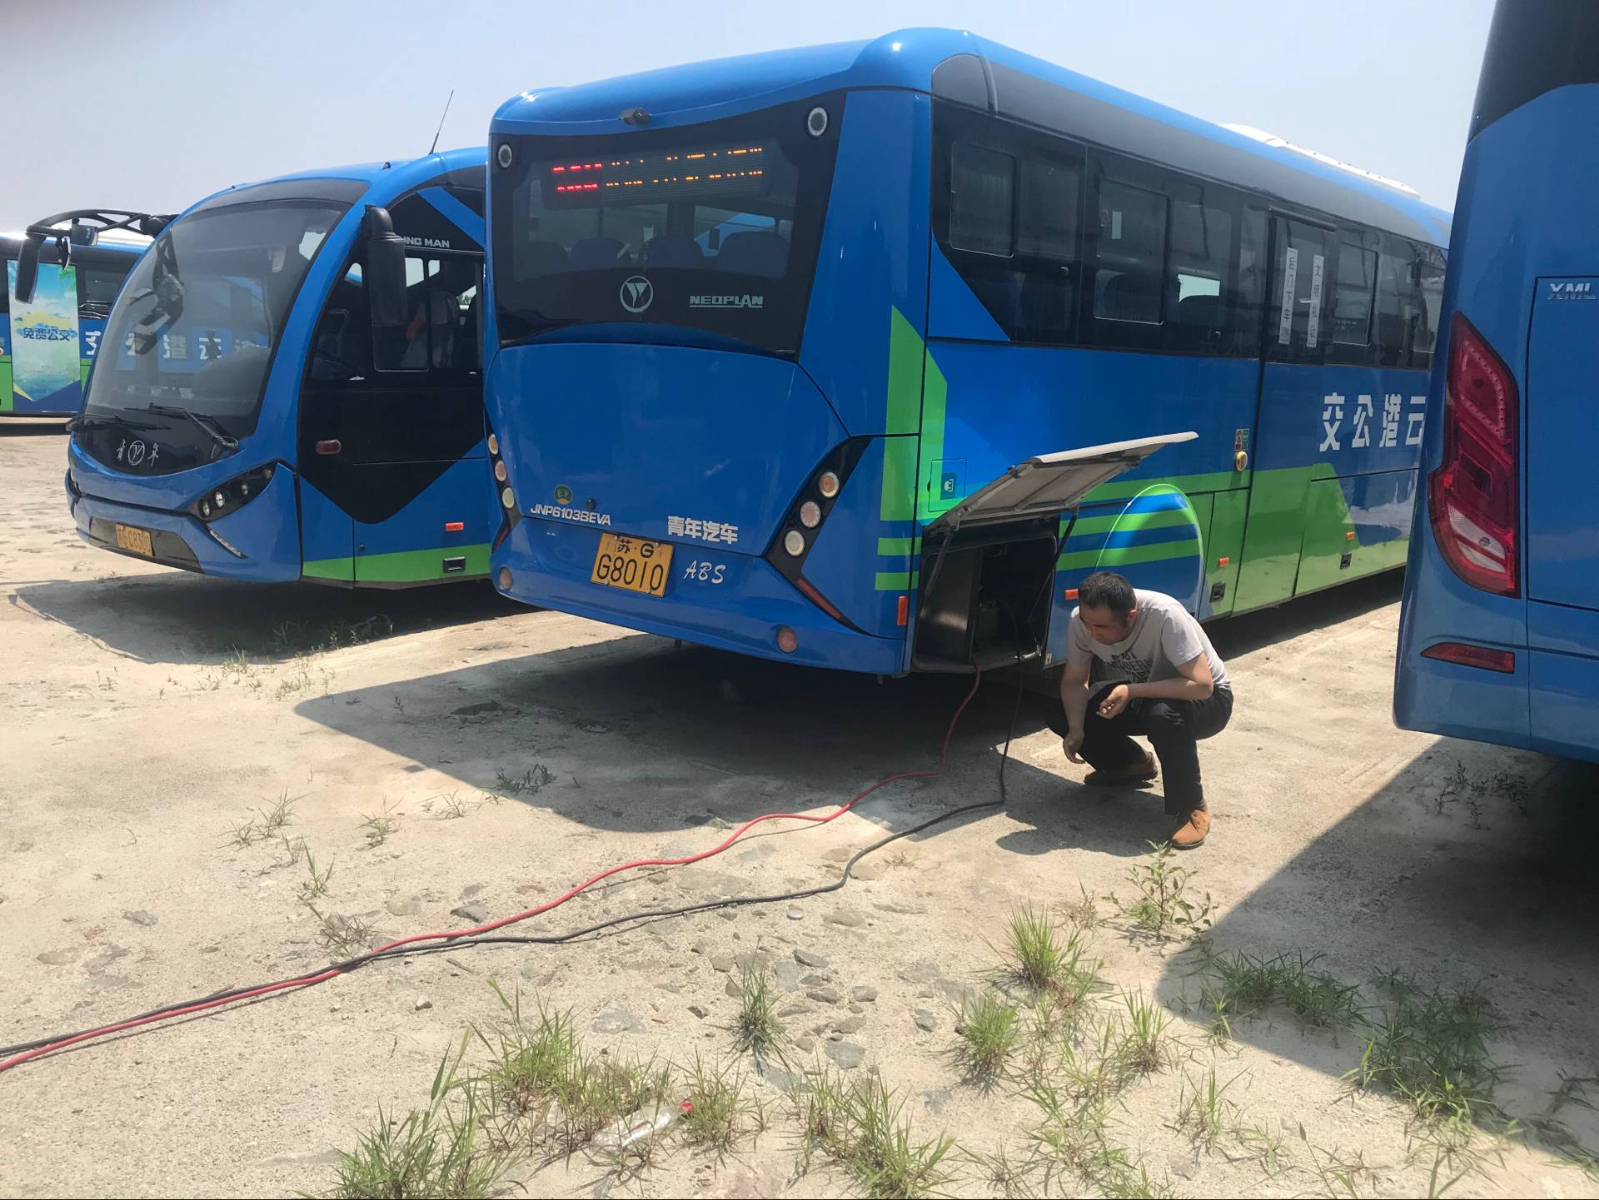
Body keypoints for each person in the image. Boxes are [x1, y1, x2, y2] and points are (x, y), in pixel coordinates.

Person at [1047, 571, 1233, 849]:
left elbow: (1202, 685)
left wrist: (1132, 691)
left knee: (1161, 715)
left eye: (1102, 627)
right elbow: (1074, 681)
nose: (1093, 633)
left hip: (1209, 701)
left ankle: (1191, 807)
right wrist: (1075, 729)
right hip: (1146, 692)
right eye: (1088, 624)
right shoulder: (1080, 622)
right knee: (1061, 709)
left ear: (1131, 616)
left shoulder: (1165, 615)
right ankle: (1131, 765)